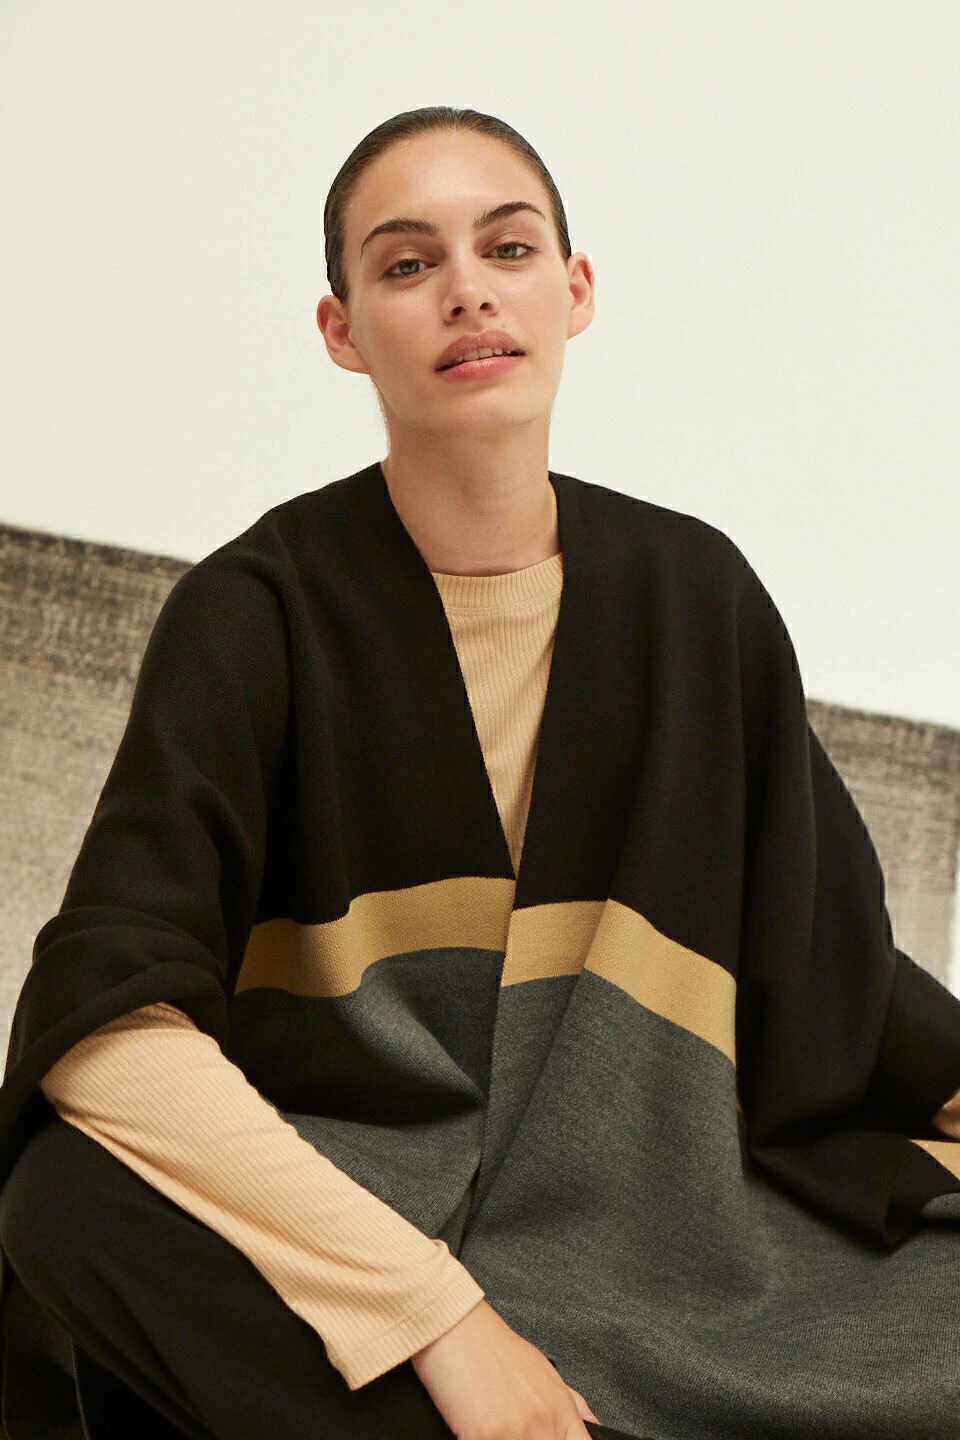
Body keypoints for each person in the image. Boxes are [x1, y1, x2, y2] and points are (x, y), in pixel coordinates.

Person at [1, 104, 960, 1440]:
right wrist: (438, 1318)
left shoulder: (696, 596)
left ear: (575, 291)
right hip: (355, 1207)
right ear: (342, 330)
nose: (467, 290)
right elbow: (105, 1030)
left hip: (659, 1242)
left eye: (508, 248)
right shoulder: (252, 613)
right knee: (67, 1200)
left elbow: (830, 972)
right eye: (407, 264)